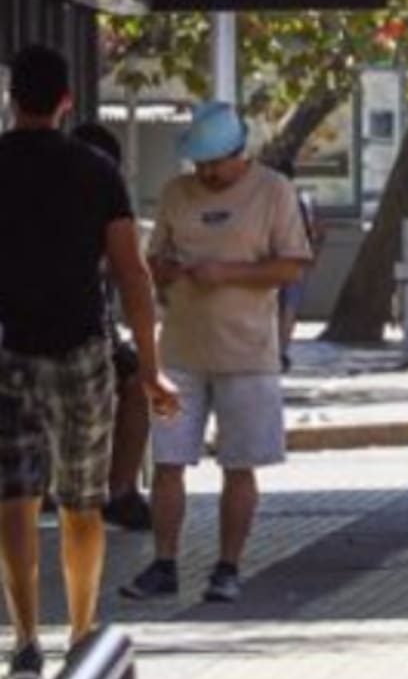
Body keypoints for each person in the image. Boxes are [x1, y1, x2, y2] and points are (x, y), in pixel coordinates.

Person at [0, 45, 178, 679]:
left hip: (8, 349)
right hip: (81, 349)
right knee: (82, 501)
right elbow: (131, 273)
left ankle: (22, 643)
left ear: (12, 98)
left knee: (14, 501)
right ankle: (79, 632)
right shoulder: (96, 170)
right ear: (67, 101)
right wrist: (152, 369)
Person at [121, 101, 312, 604]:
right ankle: (164, 563)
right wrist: (163, 268)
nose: (206, 173)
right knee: (167, 461)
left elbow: (293, 265)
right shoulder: (175, 193)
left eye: (215, 163)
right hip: (180, 348)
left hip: (247, 351)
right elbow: (151, 258)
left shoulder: (274, 191)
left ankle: (228, 566)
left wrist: (227, 274)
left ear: (238, 154)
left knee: (239, 463)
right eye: (199, 164)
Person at [71, 121, 155, 532]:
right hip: (51, 336)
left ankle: (120, 488)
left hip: (95, 331)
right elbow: (131, 275)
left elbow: (131, 275)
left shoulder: (107, 206)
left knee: (137, 380)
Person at [271, 157, 324, 372]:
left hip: (271, 261)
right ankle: (282, 350)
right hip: (296, 259)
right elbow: (318, 231)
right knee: (290, 306)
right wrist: (312, 256)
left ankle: (274, 349)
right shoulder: (302, 200)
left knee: (274, 306)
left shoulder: (268, 200)